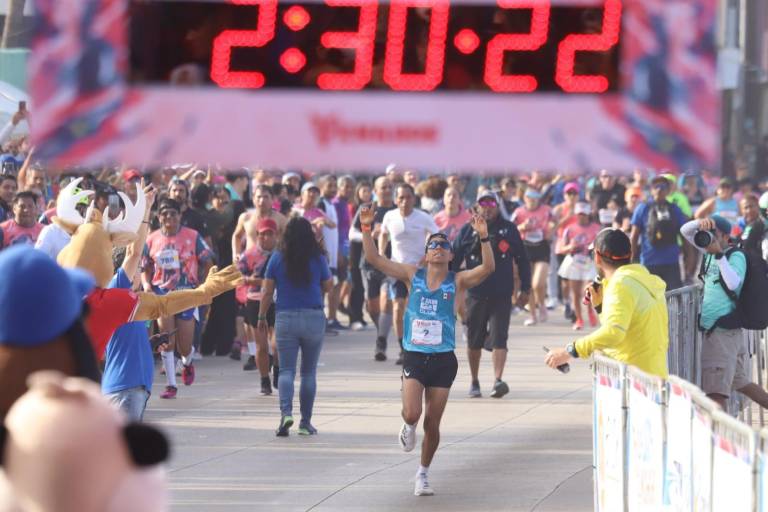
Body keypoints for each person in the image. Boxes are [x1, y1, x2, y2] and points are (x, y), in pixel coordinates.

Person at [360, 203, 495, 497]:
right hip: (415, 354)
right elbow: (374, 258)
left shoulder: (457, 280)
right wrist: (367, 227)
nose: (438, 248)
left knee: (433, 423)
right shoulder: (413, 275)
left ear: (451, 255)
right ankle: (408, 426)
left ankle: (422, 473)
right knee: (412, 413)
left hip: (443, 358)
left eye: (443, 245)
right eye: (433, 244)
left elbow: (487, 268)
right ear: (426, 253)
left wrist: (484, 237)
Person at [544, 228, 669, 378]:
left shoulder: (620, 284)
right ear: (630, 254)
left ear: (597, 257)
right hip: (652, 375)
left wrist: (570, 351)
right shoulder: (642, 279)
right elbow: (623, 327)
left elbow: (613, 333)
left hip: (633, 379)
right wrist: (600, 308)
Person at [680, 216, 768, 410]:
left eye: (714, 233)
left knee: (715, 394)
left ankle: (717, 430)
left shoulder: (735, 256)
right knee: (742, 383)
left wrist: (719, 256)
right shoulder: (708, 250)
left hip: (722, 332)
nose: (709, 237)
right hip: (724, 333)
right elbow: (685, 231)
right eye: (707, 233)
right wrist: (701, 223)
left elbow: (734, 284)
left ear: (726, 237)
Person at [259, 217, 333, 437]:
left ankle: (286, 414)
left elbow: (267, 291)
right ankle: (305, 423)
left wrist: (261, 316)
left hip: (286, 317)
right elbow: (329, 285)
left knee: (286, 370)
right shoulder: (317, 257)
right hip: (313, 316)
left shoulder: (277, 257)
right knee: (308, 372)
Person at [453, 191, 531, 398]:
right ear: (477, 206)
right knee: (474, 340)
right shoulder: (467, 230)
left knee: (499, 338)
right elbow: (454, 260)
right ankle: (474, 381)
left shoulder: (509, 229)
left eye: (491, 204)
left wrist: (526, 289)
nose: (487, 208)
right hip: (475, 294)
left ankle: (498, 380)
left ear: (497, 206)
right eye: (483, 203)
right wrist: (447, 287)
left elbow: (522, 259)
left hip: (501, 293)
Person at [143, 198, 214, 399]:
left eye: (173, 213)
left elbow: (208, 261)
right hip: (162, 294)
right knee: (166, 339)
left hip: (186, 294)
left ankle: (187, 362)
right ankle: (171, 385)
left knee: (184, 346)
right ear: (158, 217)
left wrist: (204, 286)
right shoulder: (151, 239)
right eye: (164, 213)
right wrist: (147, 285)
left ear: (180, 215)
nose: (169, 217)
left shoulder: (193, 235)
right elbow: (144, 266)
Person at [102, 184, 157, 421]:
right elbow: (134, 253)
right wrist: (145, 210)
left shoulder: (130, 298)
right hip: (124, 390)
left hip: (133, 388)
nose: (140, 273)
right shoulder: (116, 287)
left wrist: (150, 344)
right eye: (138, 270)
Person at [380, 183, 439, 364]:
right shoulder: (390, 216)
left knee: (415, 310)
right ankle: (403, 348)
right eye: (401, 198)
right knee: (398, 308)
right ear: (395, 200)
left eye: (408, 197)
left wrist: (427, 256)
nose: (404, 201)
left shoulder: (423, 217)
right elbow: (383, 234)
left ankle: (418, 346)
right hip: (397, 269)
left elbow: (437, 236)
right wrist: (382, 254)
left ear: (414, 199)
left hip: (418, 271)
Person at [351, 177, 396, 359]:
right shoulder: (367, 209)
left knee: (386, 301)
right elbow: (352, 233)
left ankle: (381, 341)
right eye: (383, 187)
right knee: (372, 307)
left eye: (390, 187)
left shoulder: (397, 210)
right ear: (375, 191)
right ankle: (382, 332)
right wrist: (368, 233)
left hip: (391, 263)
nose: (387, 190)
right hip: (369, 264)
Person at [237, 218, 278, 394]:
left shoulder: (282, 254)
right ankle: (264, 379)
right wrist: (250, 280)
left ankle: (277, 368)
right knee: (261, 346)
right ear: (257, 235)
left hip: (277, 301)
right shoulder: (249, 254)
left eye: (269, 234)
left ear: (276, 235)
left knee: (277, 344)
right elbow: (237, 276)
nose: (265, 238)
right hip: (255, 301)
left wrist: (261, 281)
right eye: (262, 234)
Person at [630, 175, 686, 290]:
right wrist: (630, 259)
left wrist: (689, 260)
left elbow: (684, 235)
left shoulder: (675, 209)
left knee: (673, 297)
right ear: (651, 190)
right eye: (656, 186)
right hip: (649, 262)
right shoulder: (642, 208)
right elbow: (634, 236)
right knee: (649, 297)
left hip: (671, 262)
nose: (659, 189)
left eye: (663, 186)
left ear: (668, 190)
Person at [511, 188, 553, 326]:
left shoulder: (546, 210)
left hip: (542, 247)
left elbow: (555, 222)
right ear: (525, 198)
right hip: (525, 248)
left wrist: (550, 230)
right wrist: (522, 227)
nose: (532, 201)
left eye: (535, 198)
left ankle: (542, 305)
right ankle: (533, 315)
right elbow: (510, 228)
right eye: (529, 198)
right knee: (528, 283)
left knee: (538, 283)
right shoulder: (519, 212)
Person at [557, 202, 601, 330]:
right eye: (579, 214)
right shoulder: (569, 229)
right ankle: (579, 319)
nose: (581, 217)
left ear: (588, 214)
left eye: (584, 214)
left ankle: (590, 311)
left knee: (589, 289)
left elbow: (603, 246)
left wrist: (594, 249)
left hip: (590, 263)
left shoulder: (596, 228)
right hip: (574, 262)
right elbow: (561, 248)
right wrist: (570, 247)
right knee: (575, 294)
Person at [232, 184, 287, 261]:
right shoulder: (246, 217)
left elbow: (288, 240)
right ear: (253, 199)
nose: (262, 200)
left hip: (272, 261)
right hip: (250, 262)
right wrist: (236, 254)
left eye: (266, 197)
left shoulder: (281, 219)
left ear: (273, 199)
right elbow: (237, 236)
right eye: (259, 197)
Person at [346, 180, 373, 331]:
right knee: (356, 286)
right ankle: (353, 318)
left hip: (368, 254)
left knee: (363, 287)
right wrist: (368, 236)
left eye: (369, 191)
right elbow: (352, 233)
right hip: (356, 253)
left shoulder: (372, 207)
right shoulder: (361, 208)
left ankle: (360, 317)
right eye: (364, 191)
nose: (367, 194)